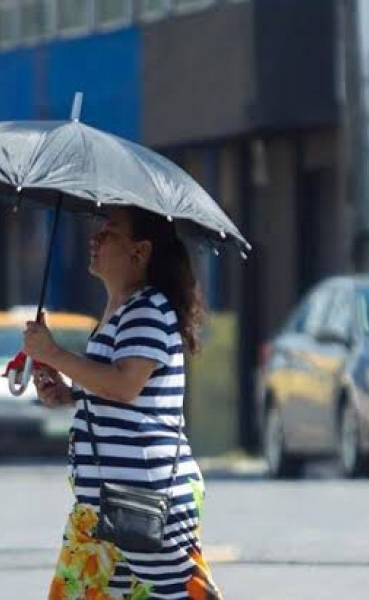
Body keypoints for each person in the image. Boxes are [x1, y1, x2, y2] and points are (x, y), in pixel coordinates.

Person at [24, 207, 223, 599]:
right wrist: (68, 390)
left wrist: (55, 353)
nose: (95, 240)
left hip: (143, 500)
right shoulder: (122, 310)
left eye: (110, 233)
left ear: (139, 252)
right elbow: (120, 395)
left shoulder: (147, 310)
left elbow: (125, 385)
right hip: (107, 503)